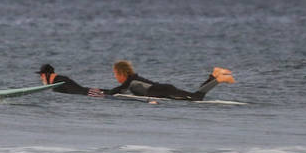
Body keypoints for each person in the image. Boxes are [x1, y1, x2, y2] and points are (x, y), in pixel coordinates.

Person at [98, 60, 234, 101]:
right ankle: (214, 74)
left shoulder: (130, 81)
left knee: (196, 98)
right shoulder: (132, 80)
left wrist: (100, 94)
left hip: (165, 90)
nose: (115, 77)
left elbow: (115, 91)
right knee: (194, 96)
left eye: (115, 74)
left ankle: (218, 79)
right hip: (164, 90)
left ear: (121, 73)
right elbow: (118, 91)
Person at [36, 64, 102, 96]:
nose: (41, 77)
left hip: (89, 94)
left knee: (109, 94)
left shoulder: (56, 82)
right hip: (88, 91)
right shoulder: (59, 79)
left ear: (47, 74)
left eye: (41, 75)